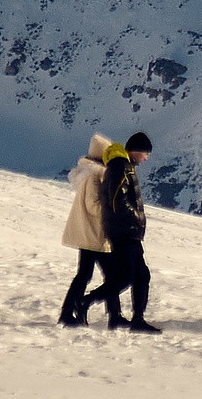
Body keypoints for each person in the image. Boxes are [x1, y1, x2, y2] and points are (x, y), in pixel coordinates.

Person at [101, 131, 161, 333]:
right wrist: (136, 217)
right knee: (126, 277)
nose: (147, 158)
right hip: (124, 231)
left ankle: (137, 319)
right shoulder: (121, 166)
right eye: (146, 153)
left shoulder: (125, 166)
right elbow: (117, 200)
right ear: (136, 151)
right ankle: (85, 301)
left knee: (140, 276)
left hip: (128, 232)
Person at [57, 133, 115, 327]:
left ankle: (69, 312)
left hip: (87, 233)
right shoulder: (95, 176)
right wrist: (112, 209)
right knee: (111, 276)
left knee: (86, 274)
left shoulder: (88, 174)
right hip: (94, 234)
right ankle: (111, 314)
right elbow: (93, 206)